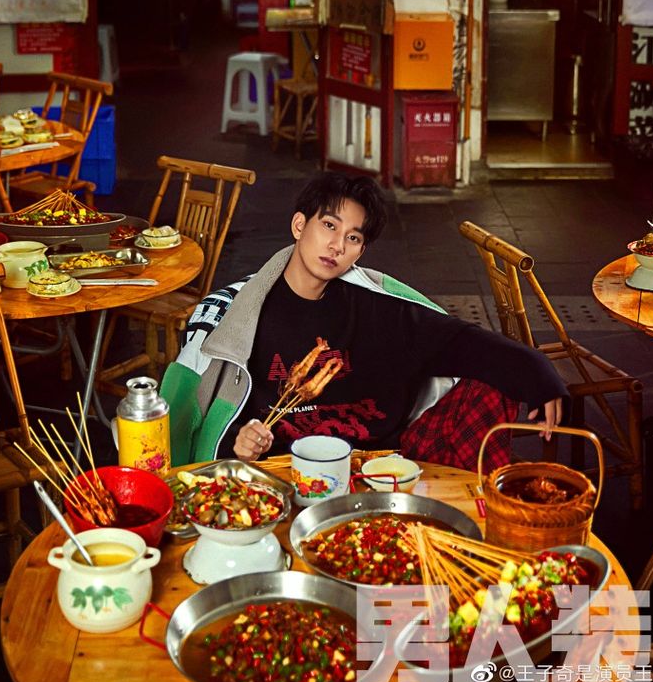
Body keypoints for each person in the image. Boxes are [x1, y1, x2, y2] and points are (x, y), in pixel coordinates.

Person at [161, 172, 566, 469]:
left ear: (360, 251)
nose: (337, 245)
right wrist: (241, 444)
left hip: (379, 464)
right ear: (300, 225)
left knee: (490, 385)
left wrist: (538, 373)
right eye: (329, 226)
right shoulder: (245, 317)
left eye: (353, 238)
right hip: (288, 470)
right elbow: (196, 414)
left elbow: (458, 340)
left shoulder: (374, 308)